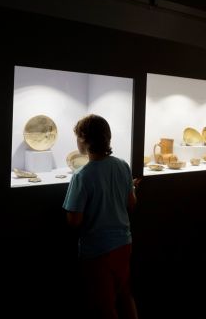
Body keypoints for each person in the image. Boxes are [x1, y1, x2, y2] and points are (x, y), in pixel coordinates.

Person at [63, 114, 139, 319]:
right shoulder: (122, 165)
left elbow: (74, 221)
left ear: (84, 139)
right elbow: (131, 204)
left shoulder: (82, 175)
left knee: (104, 306)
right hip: (124, 243)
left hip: (97, 250)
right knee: (125, 294)